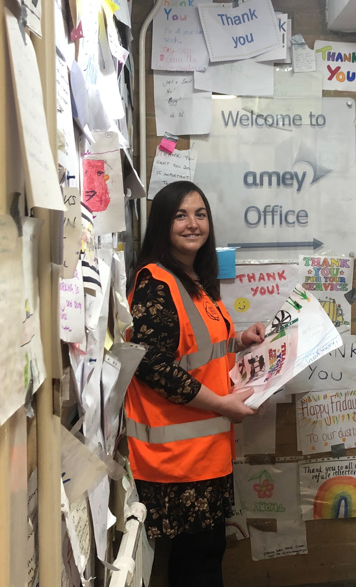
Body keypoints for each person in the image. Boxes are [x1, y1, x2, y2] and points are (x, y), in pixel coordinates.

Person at [126, 181, 266, 586]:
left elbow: (196, 348)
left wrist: (240, 341)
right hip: (176, 461)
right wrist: (223, 405)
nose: (193, 224)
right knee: (198, 567)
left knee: (204, 558)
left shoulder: (193, 278)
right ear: (162, 224)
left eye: (200, 214)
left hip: (205, 454)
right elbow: (151, 364)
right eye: (181, 215)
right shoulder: (156, 281)